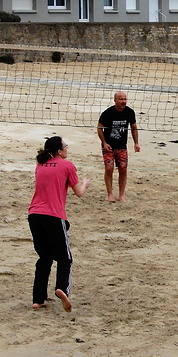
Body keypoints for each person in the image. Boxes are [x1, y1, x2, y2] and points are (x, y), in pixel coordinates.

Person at [28, 136, 90, 312]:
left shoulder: (40, 165)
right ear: (59, 151)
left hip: (34, 215)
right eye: (65, 146)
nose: (67, 149)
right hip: (53, 216)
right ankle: (62, 288)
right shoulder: (67, 165)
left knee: (44, 258)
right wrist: (85, 184)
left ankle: (38, 299)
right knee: (65, 258)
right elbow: (79, 193)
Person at [97, 91, 140, 202]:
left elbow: (134, 127)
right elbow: (99, 128)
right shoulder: (108, 113)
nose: (123, 101)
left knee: (123, 168)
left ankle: (121, 195)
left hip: (122, 146)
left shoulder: (129, 112)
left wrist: (136, 143)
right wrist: (104, 143)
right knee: (109, 168)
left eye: (125, 99)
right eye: (121, 99)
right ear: (115, 100)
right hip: (109, 146)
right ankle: (110, 194)